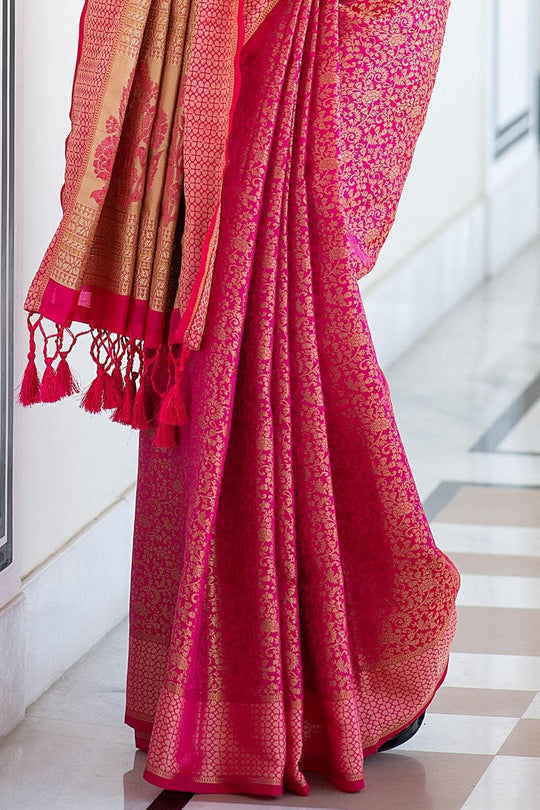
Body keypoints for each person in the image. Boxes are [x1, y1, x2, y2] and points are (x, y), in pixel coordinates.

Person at [19, 0, 460, 797]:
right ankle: (264, 688)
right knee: (234, 328)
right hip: (220, 41)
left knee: (268, 319)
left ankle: (306, 678)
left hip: (264, 38)